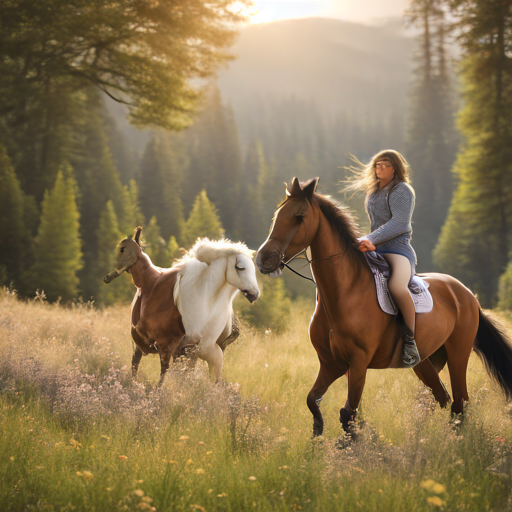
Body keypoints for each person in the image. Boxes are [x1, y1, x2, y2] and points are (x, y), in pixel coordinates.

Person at [345, 149, 421, 367]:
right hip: (375, 250)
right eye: (377, 165)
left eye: (384, 165)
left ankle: (410, 342)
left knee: (397, 287)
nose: (379, 168)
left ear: (395, 168)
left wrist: (369, 238)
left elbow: (400, 224)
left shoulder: (402, 189)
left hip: (398, 250)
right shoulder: (374, 191)